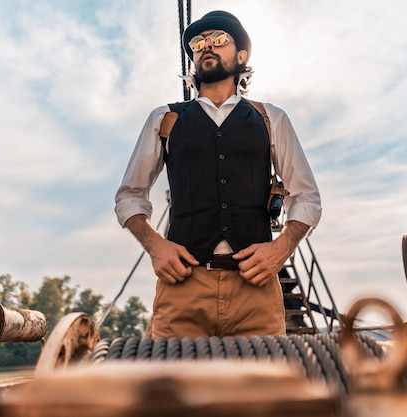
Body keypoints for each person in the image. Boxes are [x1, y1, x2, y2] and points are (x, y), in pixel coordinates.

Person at [115, 10, 322, 339]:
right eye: (198, 42)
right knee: (172, 388)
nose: (207, 45)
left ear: (241, 56)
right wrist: (156, 246)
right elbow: (129, 196)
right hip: (183, 289)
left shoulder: (271, 119)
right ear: (194, 60)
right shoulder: (165, 119)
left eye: (220, 39)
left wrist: (281, 248)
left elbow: (307, 197)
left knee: (266, 388)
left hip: (255, 294)